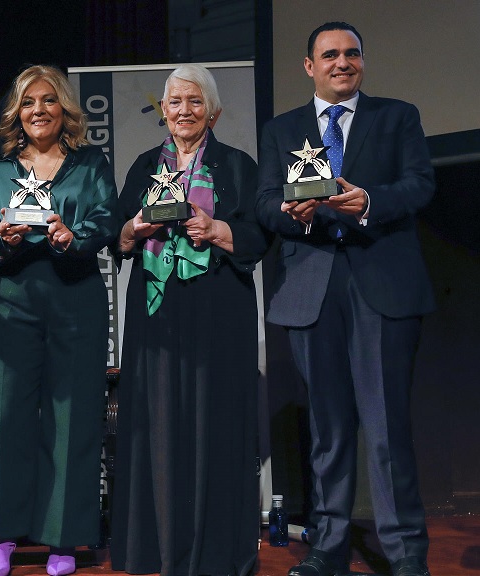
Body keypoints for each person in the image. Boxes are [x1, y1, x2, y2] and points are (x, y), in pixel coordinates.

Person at [255, 22, 434, 576]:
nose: (342, 62)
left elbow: (420, 184)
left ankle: (405, 554)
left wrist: (370, 200)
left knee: (385, 429)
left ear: (362, 62)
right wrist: (289, 211)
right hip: (312, 287)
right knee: (328, 431)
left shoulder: (396, 115)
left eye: (352, 53)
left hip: (380, 284)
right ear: (309, 65)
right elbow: (263, 203)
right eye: (329, 54)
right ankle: (328, 548)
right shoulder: (283, 128)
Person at [109, 63, 270, 576]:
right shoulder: (142, 166)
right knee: (158, 427)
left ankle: (215, 551)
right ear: (163, 110)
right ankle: (157, 546)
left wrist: (216, 227)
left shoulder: (238, 165)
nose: (183, 111)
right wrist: (136, 226)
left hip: (219, 312)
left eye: (194, 102)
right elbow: (117, 233)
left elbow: (259, 237)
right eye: (174, 102)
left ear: (214, 111)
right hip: (157, 315)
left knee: (214, 427)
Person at [0, 64, 118, 576]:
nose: (39, 110)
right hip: (12, 303)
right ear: (18, 112)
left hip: (75, 301)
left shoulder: (91, 164)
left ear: (65, 110)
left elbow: (105, 222)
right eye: (29, 102)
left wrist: (70, 237)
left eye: (49, 101)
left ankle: (63, 538)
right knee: (6, 420)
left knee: (72, 422)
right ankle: (2, 538)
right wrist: (1, 239)